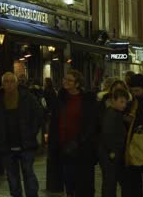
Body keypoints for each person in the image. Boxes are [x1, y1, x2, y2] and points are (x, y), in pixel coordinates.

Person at [0, 72, 45, 197]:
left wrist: (31, 132)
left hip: (26, 143)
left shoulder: (27, 97)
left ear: (16, 83)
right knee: (12, 177)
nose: (9, 84)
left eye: (11, 81)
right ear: (2, 84)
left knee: (28, 173)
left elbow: (38, 115)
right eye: (6, 82)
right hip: (6, 145)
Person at [46, 69, 98, 197]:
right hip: (64, 146)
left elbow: (91, 123)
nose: (66, 82)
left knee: (82, 181)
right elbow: (55, 121)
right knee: (68, 179)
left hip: (81, 146)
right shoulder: (61, 98)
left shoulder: (87, 99)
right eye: (65, 79)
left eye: (70, 80)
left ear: (77, 83)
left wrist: (82, 139)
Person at [99, 89, 129, 197]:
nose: (124, 105)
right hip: (110, 154)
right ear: (113, 100)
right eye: (121, 102)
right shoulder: (111, 114)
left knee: (111, 182)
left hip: (112, 153)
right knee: (110, 182)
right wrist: (112, 152)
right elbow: (107, 134)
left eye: (125, 102)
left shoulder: (116, 113)